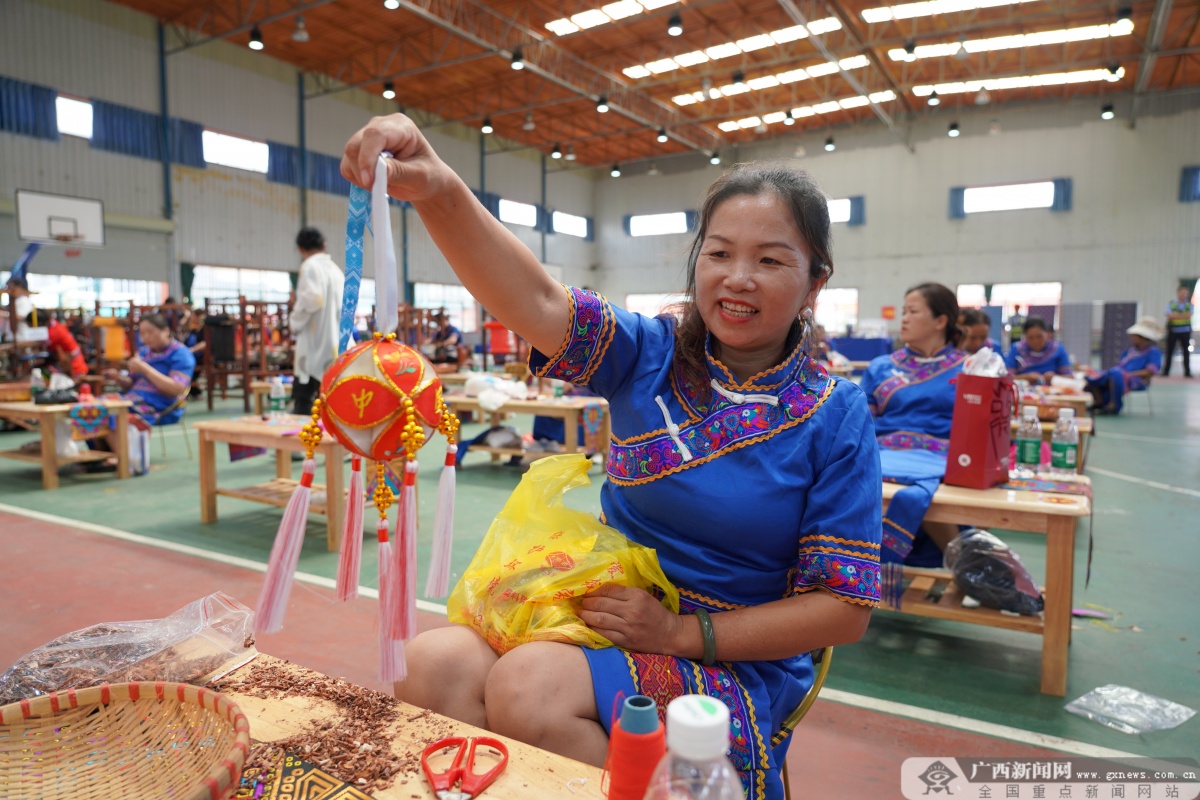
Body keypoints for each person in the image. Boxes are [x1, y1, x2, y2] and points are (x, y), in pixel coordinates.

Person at [342, 115, 881, 800]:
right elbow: (536, 299)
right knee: (430, 664)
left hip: (728, 655)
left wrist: (683, 633)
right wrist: (440, 189)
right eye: (719, 254)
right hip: (603, 609)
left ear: (814, 282)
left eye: (771, 260)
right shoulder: (647, 353)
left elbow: (843, 609)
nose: (738, 278)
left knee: (528, 689)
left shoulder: (836, 414)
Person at [858, 283, 965, 564]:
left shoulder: (970, 369)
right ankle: (969, 567)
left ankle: (966, 566)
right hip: (884, 456)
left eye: (912, 312)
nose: (903, 318)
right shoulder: (881, 366)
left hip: (943, 459)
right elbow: (862, 422)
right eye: (903, 311)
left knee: (919, 492)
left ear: (941, 321)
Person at [291, 227, 343, 417]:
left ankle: (303, 441)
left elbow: (312, 299)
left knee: (304, 400)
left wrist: (294, 322)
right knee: (335, 399)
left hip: (315, 340)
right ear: (324, 245)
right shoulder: (336, 270)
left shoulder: (310, 266)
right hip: (336, 341)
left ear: (300, 249)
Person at [1085, 316, 1163, 414]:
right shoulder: (1129, 351)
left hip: (1136, 380)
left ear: (1142, 338)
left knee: (1115, 374)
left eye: (1134, 336)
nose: (1131, 338)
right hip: (1119, 375)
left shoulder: (1153, 352)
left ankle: (1114, 406)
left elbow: (1150, 371)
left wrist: (1127, 375)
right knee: (1092, 374)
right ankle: (1100, 401)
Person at [1004, 317, 1072, 383]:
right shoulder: (1016, 349)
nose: (1035, 341)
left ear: (1047, 334)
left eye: (1039, 337)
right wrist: (1025, 377)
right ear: (1024, 336)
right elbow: (1006, 378)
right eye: (1030, 338)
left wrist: (1055, 377)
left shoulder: (1058, 349)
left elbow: (1069, 377)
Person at [29, 312, 87, 379]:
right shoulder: (54, 325)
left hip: (75, 368)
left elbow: (36, 343)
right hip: (72, 365)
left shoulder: (52, 333)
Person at [1162, 285, 1193, 378]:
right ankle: (1166, 372)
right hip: (1173, 331)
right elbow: (1169, 315)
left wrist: (1175, 315)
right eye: (1182, 292)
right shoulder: (1171, 304)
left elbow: (1189, 315)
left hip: (1185, 332)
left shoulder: (1189, 304)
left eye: (1186, 293)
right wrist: (1182, 315)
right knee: (1169, 351)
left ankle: (1187, 372)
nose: (1184, 295)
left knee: (1186, 352)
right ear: (1178, 292)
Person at [180, 308, 208, 399]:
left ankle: (191, 390)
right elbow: (181, 324)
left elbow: (205, 343)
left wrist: (191, 350)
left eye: (192, 316)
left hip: (198, 357)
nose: (190, 318)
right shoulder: (192, 329)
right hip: (188, 356)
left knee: (186, 366)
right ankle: (191, 390)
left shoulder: (204, 329)